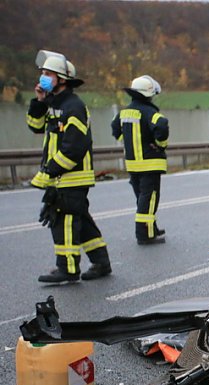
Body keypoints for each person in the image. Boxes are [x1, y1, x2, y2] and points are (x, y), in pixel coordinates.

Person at [27, 50, 111, 284]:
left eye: (48, 74)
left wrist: (50, 170)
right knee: (80, 220)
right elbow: (35, 127)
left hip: (71, 176)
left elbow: (74, 147)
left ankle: (67, 269)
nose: (43, 77)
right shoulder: (53, 104)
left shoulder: (74, 107)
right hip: (62, 176)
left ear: (62, 79)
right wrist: (39, 102)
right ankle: (101, 262)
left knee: (62, 219)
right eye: (42, 73)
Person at [111, 75, 169, 245]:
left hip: (132, 164)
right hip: (149, 163)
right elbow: (162, 125)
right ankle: (144, 235)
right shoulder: (150, 112)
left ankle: (152, 228)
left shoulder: (124, 112)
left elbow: (115, 128)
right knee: (149, 199)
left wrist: (127, 140)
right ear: (148, 94)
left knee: (142, 199)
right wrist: (160, 145)